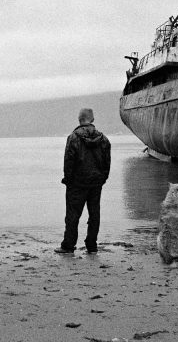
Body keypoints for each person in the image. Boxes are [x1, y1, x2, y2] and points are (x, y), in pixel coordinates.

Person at [55, 108, 111, 254]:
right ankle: (92, 246)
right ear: (92, 119)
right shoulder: (103, 139)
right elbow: (107, 163)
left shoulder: (73, 138)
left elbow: (68, 161)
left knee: (73, 215)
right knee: (94, 214)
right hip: (96, 183)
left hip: (77, 183)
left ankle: (68, 245)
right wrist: (103, 178)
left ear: (79, 120)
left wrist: (68, 179)